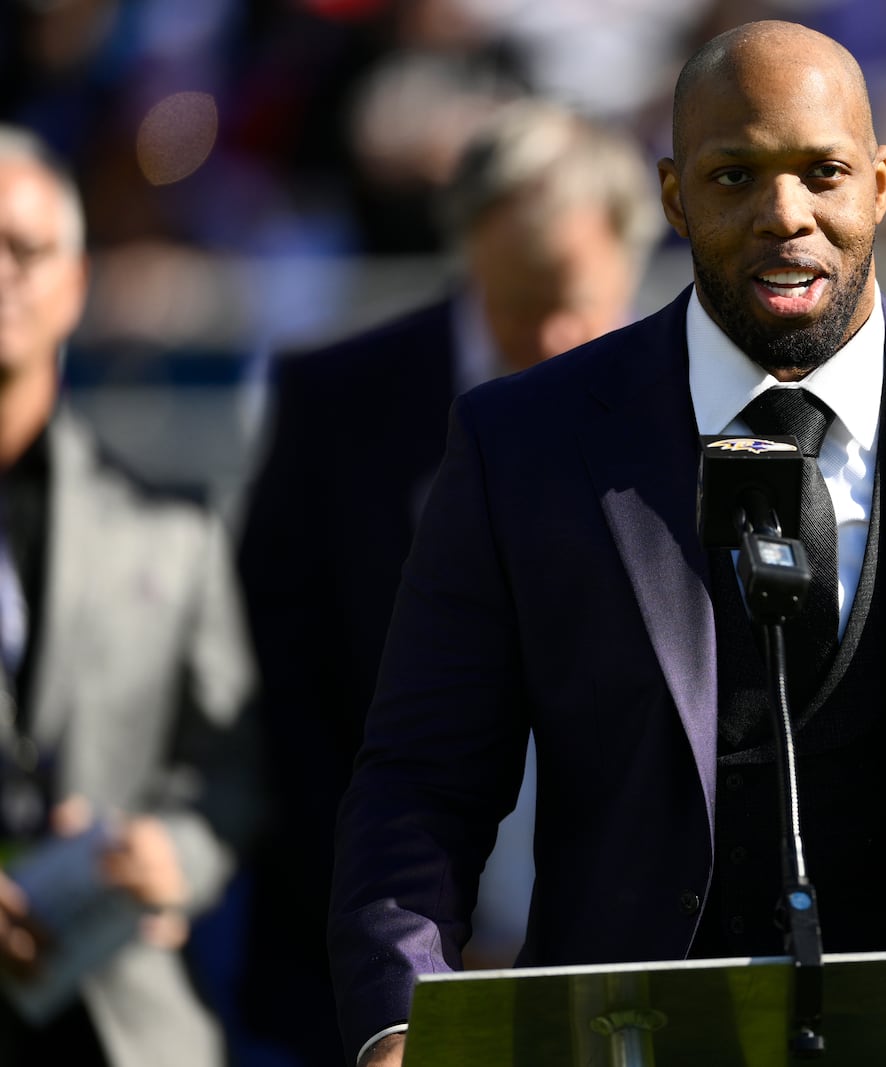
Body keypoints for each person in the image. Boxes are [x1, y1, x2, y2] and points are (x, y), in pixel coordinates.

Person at [328, 22, 886, 1067]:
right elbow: (421, 780)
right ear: (674, 197)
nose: (786, 215)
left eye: (823, 172)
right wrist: (401, 1013)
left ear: (881, 185)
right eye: (736, 175)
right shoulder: (523, 443)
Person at [236, 100, 661, 1065]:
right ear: (468, 248)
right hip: (358, 982)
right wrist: (408, 943)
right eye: (521, 300)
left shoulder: (700, 411)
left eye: (577, 300)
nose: (551, 335)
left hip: (628, 973)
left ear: (633, 261)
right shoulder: (336, 407)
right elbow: (287, 705)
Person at [0, 125, 259, 1066]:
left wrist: (171, 858)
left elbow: (229, 775)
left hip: (129, 1021)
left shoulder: (171, 524)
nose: (3, 276)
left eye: (25, 250)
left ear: (75, 284)